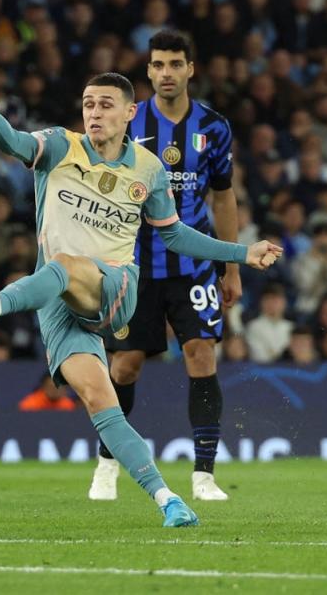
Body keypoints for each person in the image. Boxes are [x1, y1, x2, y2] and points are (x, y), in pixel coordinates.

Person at [0, 71, 280, 528]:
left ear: (129, 113)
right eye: (88, 104)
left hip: (115, 288)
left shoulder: (147, 169)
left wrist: (242, 254)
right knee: (100, 403)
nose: (94, 113)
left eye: (106, 104)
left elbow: (177, 237)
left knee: (64, 264)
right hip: (57, 303)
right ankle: (168, 500)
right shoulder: (60, 146)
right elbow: (13, 143)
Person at [99, 31, 241, 502]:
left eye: (175, 64)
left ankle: (204, 476)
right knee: (126, 366)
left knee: (201, 353)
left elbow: (223, 197)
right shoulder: (129, 121)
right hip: (134, 265)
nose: (165, 74)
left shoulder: (214, 127)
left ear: (190, 69)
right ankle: (106, 463)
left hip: (194, 264)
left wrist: (232, 266)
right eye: (158, 65)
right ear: (148, 71)